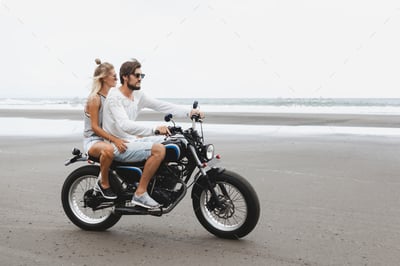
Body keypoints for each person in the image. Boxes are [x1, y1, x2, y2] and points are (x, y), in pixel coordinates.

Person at [103, 58, 203, 208]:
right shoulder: (114, 97)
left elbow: (161, 105)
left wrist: (189, 112)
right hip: (117, 144)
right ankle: (140, 193)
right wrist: (154, 129)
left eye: (141, 76)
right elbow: (125, 125)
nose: (140, 79)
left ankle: (160, 184)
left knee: (170, 141)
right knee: (158, 150)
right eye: (137, 75)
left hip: (131, 141)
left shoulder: (138, 95)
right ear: (125, 76)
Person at [83, 59, 128, 199]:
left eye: (116, 74)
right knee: (108, 151)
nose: (116, 77)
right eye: (112, 75)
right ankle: (104, 184)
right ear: (103, 78)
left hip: (108, 137)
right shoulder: (95, 99)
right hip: (94, 140)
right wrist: (115, 140)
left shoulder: (112, 98)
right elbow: (95, 128)